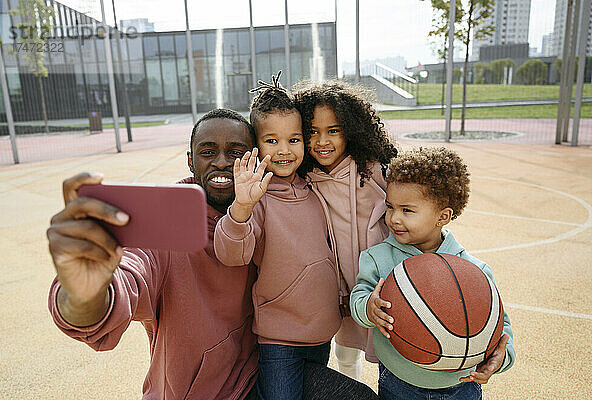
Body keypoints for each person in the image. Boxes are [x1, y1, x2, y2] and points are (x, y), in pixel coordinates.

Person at [46, 108, 377, 400]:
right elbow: (129, 276)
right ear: (191, 159)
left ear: (254, 156)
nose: (221, 162)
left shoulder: (268, 201)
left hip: (263, 370)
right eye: (207, 152)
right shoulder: (166, 221)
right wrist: (83, 295)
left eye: (235, 151)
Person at [213, 75, 344, 400]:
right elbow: (232, 254)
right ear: (256, 145)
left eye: (294, 139)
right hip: (279, 342)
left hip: (321, 334)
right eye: (272, 141)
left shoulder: (315, 188)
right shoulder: (256, 197)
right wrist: (242, 206)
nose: (284, 151)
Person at [349, 147, 516, 400]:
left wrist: (500, 359)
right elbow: (359, 298)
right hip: (398, 382)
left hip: (462, 386)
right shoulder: (378, 258)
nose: (394, 218)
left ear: (443, 216)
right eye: (391, 207)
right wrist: (368, 308)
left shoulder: (473, 272)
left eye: (407, 210)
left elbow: (499, 325)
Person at [293, 79, 398, 379]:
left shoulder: (375, 172)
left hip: (383, 283)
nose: (322, 141)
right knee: (345, 351)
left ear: (350, 130)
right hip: (339, 288)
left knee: (392, 352)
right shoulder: (305, 178)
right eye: (312, 132)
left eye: (333, 131)